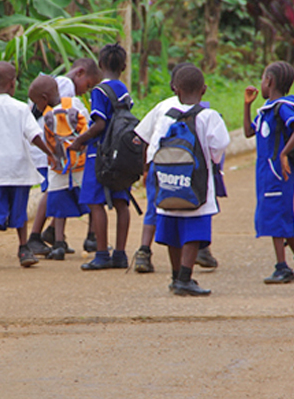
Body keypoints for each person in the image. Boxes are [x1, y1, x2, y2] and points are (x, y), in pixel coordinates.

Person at [140, 66, 230, 295]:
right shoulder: (207, 116)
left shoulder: (167, 116)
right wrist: (212, 159)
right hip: (197, 186)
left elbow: (154, 147)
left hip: (169, 183)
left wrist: (152, 175)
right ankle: (185, 278)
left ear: (175, 89)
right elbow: (219, 145)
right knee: (194, 230)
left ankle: (174, 276)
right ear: (204, 90)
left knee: (172, 229)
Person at [0, 61, 54, 270]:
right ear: (13, 84)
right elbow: (34, 135)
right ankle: (24, 248)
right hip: (19, 170)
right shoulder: (21, 108)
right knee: (19, 213)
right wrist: (50, 153)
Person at [243, 61, 294, 284]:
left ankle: (282, 267)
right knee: (281, 216)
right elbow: (248, 132)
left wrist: (284, 153)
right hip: (266, 173)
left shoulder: (282, 107)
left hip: (278, 172)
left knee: (276, 217)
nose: (261, 83)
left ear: (270, 81)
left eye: (263, 78)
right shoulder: (267, 109)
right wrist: (247, 105)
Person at [25, 58, 102, 256]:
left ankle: (54, 235)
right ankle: (37, 236)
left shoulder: (49, 84)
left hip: (52, 154)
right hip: (61, 154)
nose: (86, 90)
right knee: (54, 192)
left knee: (56, 192)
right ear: (80, 73)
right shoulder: (65, 86)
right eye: (88, 84)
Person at [72, 43, 132, 271]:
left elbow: (100, 124)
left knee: (95, 203)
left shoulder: (99, 91)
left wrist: (80, 140)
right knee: (121, 202)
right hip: (121, 154)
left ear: (100, 64)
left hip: (99, 154)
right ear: (124, 66)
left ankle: (101, 254)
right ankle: (120, 254)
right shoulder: (123, 89)